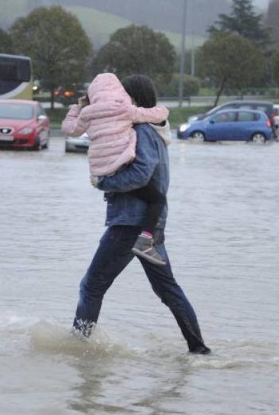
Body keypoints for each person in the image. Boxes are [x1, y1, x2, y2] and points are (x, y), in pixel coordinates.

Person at [70, 74, 211, 355]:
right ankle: (199, 350)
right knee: (168, 290)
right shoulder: (155, 130)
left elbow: (141, 173)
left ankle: (77, 350)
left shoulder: (143, 131)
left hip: (130, 224)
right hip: (148, 225)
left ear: (133, 98)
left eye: (124, 95)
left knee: (92, 286)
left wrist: (104, 182)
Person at [61, 72, 169, 265]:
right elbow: (157, 114)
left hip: (128, 218)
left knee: (95, 281)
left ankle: (145, 241)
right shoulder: (133, 117)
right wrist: (163, 112)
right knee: (164, 283)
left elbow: (69, 128)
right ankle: (145, 240)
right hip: (141, 221)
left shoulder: (93, 115)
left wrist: (77, 107)